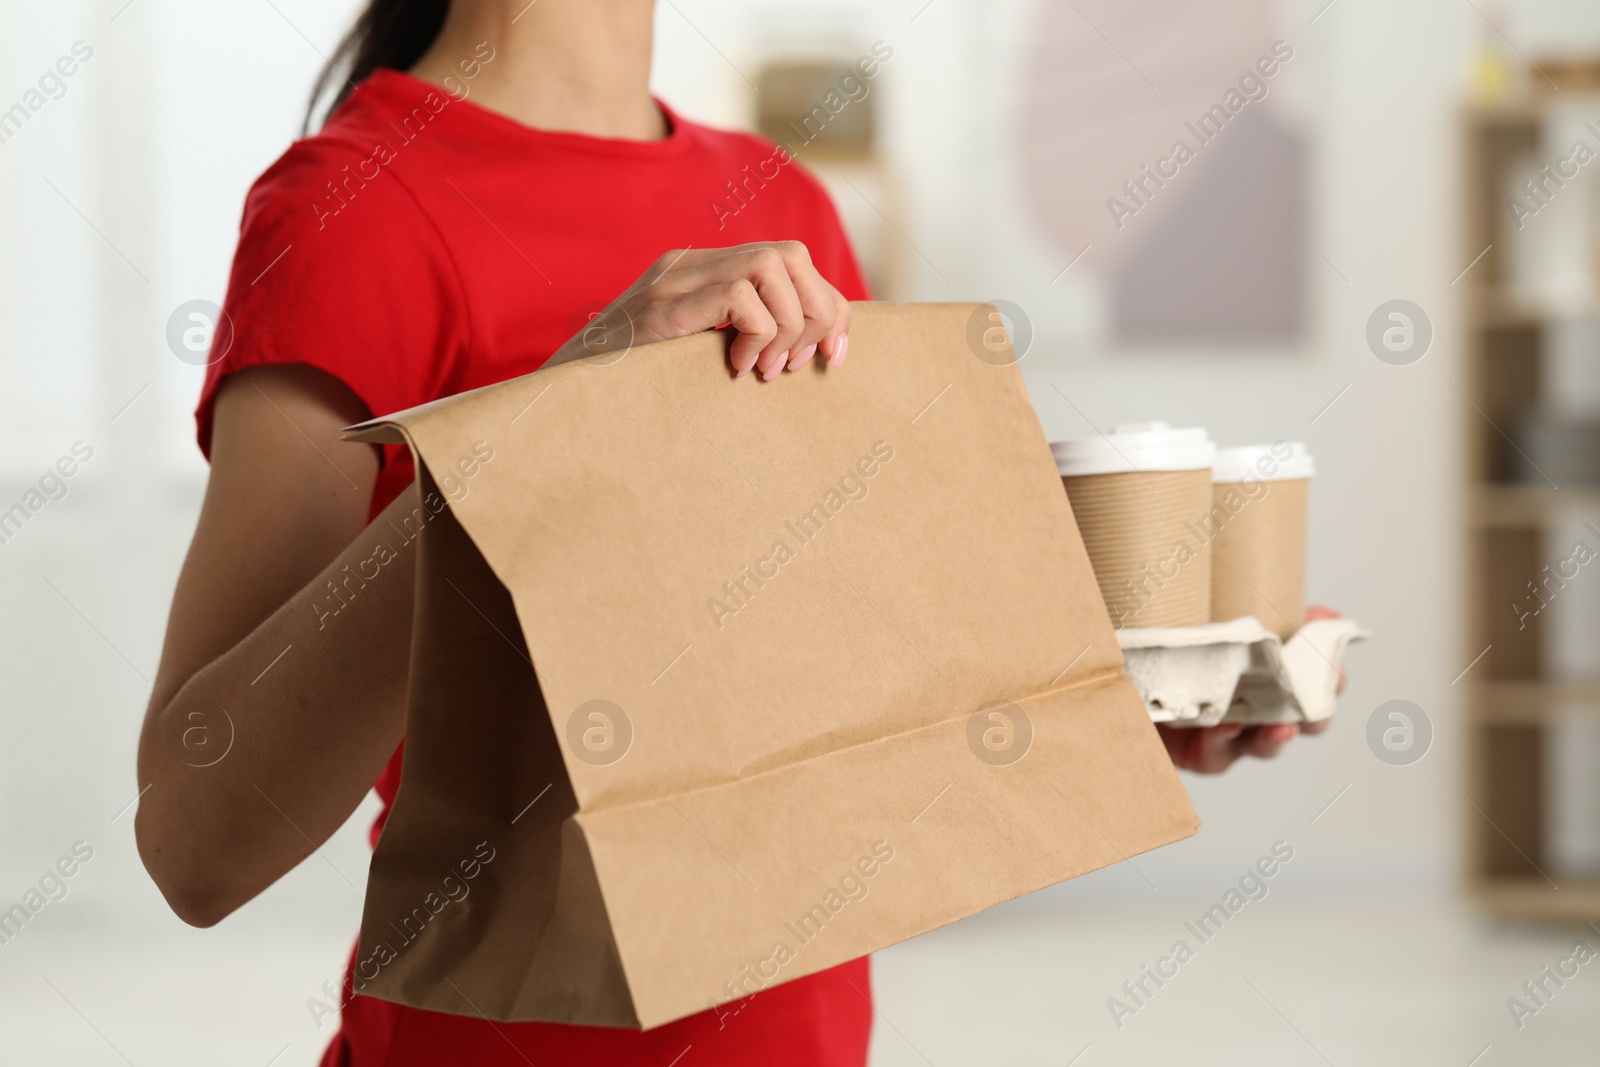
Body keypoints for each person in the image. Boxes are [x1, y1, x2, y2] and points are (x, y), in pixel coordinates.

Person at [133, 1, 1326, 1063]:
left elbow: (843, 699)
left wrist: (1140, 708)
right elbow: (198, 842)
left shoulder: (783, 204)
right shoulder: (351, 208)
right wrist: (557, 422)